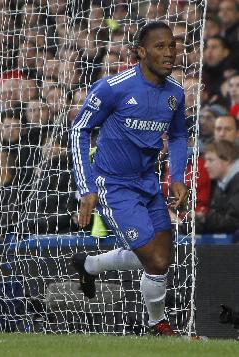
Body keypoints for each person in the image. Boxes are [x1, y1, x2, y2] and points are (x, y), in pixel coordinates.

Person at [70, 21, 189, 336]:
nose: (169, 53)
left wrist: (176, 176)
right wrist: (87, 188)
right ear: (141, 52)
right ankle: (157, 324)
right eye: (160, 47)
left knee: (161, 258)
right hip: (114, 185)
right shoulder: (113, 87)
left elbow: (178, 136)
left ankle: (89, 265)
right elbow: (79, 129)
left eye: (172, 46)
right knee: (156, 260)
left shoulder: (175, 93)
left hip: (148, 183)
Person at [196, 140, 239, 234]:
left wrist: (204, 218)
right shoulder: (221, 184)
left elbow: (233, 222)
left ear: (227, 160)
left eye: (210, 160)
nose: (206, 165)